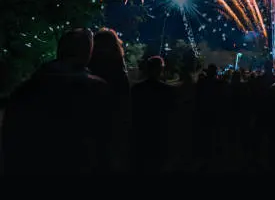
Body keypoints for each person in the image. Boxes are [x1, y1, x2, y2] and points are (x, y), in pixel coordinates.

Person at [1, 28, 112, 174]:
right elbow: (105, 140)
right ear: (87, 53)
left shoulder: (27, 88)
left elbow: (10, 137)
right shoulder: (96, 89)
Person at [89, 28, 131, 171]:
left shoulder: (90, 63)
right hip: (113, 118)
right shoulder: (117, 64)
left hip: (91, 117)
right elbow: (124, 94)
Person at [130, 56, 175, 173]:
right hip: (160, 136)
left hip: (141, 136)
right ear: (161, 69)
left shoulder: (136, 89)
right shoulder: (168, 91)